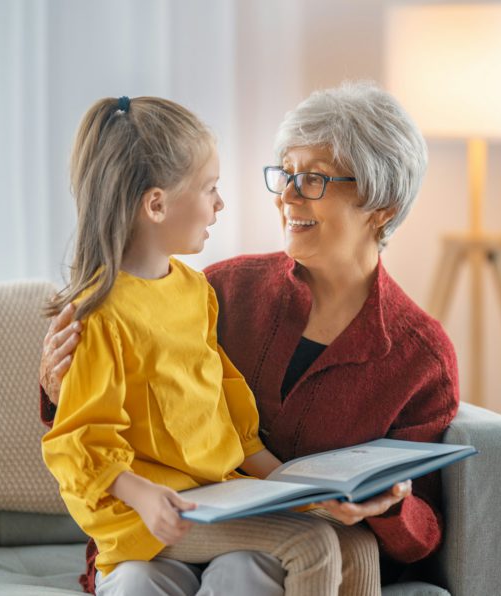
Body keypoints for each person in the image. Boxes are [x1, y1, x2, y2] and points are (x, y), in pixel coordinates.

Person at [41, 81, 460, 593]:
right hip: (167, 525)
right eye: (285, 174)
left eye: (313, 180)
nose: (286, 195)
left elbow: (424, 532)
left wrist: (389, 507)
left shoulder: (421, 357)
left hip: (274, 536)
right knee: (145, 580)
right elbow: (102, 407)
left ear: (382, 207)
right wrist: (54, 382)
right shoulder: (225, 287)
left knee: (252, 567)